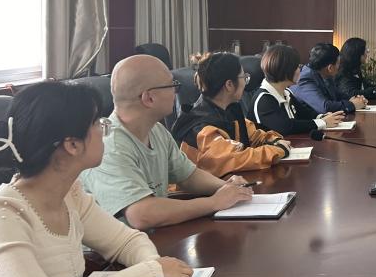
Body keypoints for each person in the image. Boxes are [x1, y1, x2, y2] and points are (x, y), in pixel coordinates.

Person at [0, 81, 193, 277]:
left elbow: (127, 241)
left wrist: (156, 271)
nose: (105, 130)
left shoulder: (69, 195)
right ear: (72, 144)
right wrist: (150, 272)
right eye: (97, 124)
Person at [82, 55, 254, 230]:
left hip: (151, 238)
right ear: (149, 98)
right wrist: (214, 203)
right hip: (114, 246)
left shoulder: (156, 130)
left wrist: (228, 187)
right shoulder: (108, 145)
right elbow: (141, 215)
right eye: (172, 85)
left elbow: (188, 176)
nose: (176, 92)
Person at [172, 52, 291, 176]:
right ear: (229, 85)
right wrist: (277, 151)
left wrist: (275, 141)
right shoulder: (201, 127)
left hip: (229, 183)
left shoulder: (229, 111)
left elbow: (254, 135)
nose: (245, 82)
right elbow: (233, 158)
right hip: (201, 188)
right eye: (244, 77)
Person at [251, 44, 345, 136]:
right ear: (286, 70)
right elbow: (286, 127)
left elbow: (305, 114)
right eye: (297, 67)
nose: (300, 70)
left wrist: (323, 117)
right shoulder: (264, 99)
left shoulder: (286, 93)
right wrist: (323, 122)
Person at [292, 43, 367, 114]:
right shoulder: (305, 79)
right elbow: (324, 107)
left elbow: (337, 95)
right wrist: (352, 105)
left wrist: (355, 99)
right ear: (330, 68)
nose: (339, 67)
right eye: (338, 63)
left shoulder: (325, 75)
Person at [335, 37, 376, 102]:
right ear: (357, 53)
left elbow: (365, 85)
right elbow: (352, 94)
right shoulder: (342, 72)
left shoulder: (355, 69)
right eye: (365, 50)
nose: (367, 52)